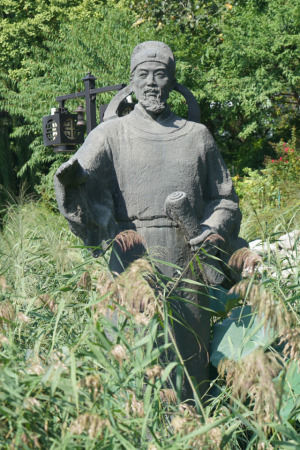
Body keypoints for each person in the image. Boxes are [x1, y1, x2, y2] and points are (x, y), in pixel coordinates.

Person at [54, 41, 243, 401]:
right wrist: (73, 180)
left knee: (188, 357)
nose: (152, 83)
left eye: (160, 75)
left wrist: (212, 228)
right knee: (136, 354)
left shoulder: (196, 137)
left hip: (188, 262)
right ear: (131, 82)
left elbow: (225, 198)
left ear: (173, 81)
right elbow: (81, 174)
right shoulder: (111, 134)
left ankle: (194, 429)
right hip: (132, 260)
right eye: (143, 75)